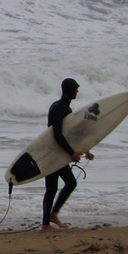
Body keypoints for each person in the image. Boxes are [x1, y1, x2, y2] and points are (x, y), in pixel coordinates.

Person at [42, 78, 93, 231]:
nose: (78, 91)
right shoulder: (60, 109)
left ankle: (47, 221)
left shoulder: (63, 108)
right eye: (76, 89)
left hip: (55, 152)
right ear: (70, 90)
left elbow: (71, 136)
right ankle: (51, 218)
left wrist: (86, 150)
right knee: (68, 183)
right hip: (54, 153)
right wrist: (71, 153)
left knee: (52, 188)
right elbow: (57, 134)